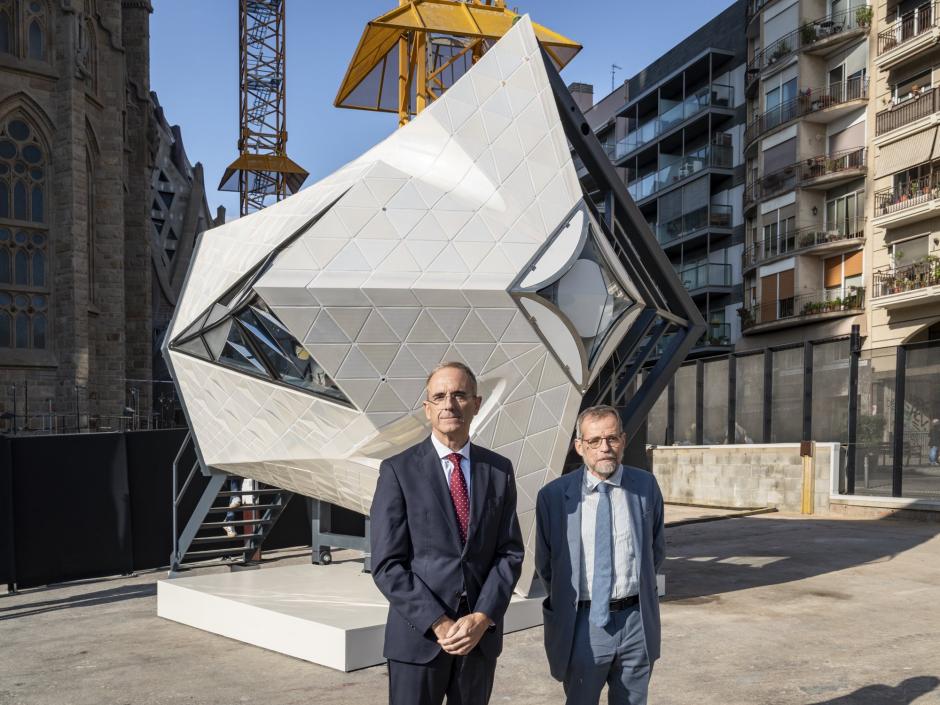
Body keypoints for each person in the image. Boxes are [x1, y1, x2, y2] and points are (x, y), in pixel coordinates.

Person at [370, 361, 524, 705]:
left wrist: (483, 618)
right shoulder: (398, 471)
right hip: (418, 638)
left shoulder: (499, 470)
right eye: (439, 397)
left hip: (477, 641)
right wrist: (438, 624)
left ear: (477, 403)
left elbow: (509, 553)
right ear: (428, 409)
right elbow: (387, 564)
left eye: (459, 395)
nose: (449, 405)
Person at [535, 404, 665, 705]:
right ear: (579, 446)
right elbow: (546, 565)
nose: (604, 448)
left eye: (612, 439)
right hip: (584, 621)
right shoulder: (554, 496)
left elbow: (656, 550)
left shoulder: (645, 486)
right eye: (594, 441)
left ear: (623, 439)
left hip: (636, 621)